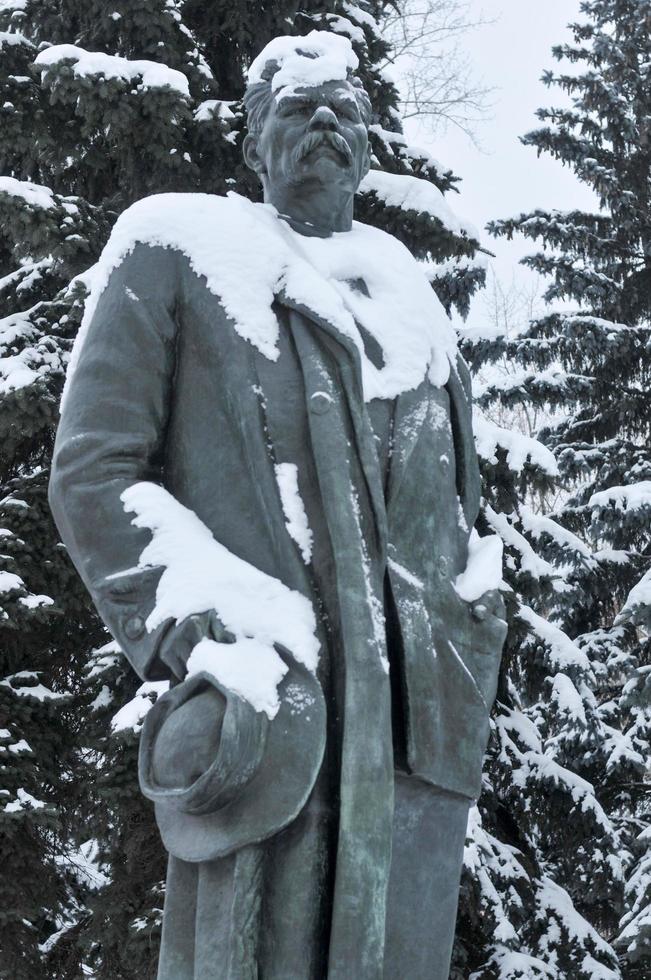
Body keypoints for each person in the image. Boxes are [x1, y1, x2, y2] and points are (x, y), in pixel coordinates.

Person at [49, 30, 507, 980]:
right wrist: (209, 628)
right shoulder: (175, 244)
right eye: (297, 108)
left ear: (370, 146)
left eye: (344, 109)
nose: (326, 123)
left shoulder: (411, 299)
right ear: (253, 140)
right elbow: (93, 471)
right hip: (274, 713)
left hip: (415, 739)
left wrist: (470, 614)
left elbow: (459, 501)